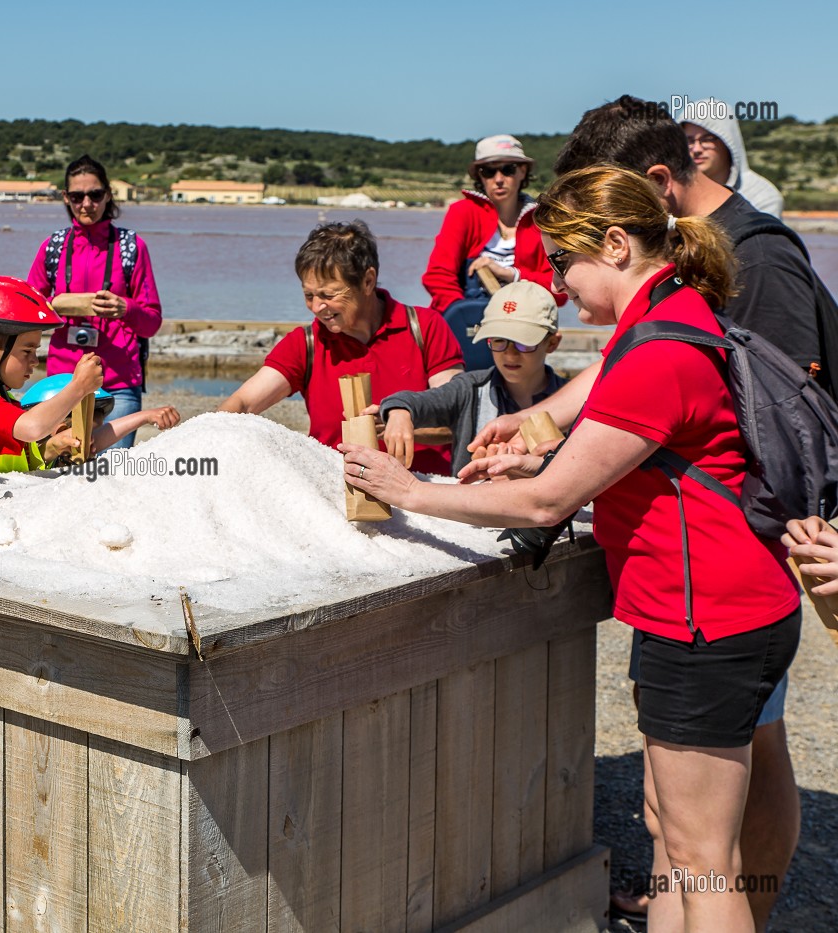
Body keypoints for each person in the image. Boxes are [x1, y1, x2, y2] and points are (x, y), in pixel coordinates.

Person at [345, 164, 801, 933]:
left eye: (563, 261)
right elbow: (611, 452)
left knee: (701, 856)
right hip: (710, 611)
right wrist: (534, 451)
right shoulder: (666, 313)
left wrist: (411, 489)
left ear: (616, 245)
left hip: (707, 620)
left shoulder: (657, 350)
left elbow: (546, 502)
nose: (556, 279)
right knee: (672, 829)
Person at [472, 96, 828, 927]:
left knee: (721, 822)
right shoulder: (681, 281)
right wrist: (548, 419)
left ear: (655, 189)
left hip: (730, 578)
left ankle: (751, 910)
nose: (560, 281)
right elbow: (640, 364)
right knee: (683, 830)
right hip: (709, 584)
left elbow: (741, 405)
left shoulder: (760, 259)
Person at [219, 220, 464, 474]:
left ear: (368, 281)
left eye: (328, 295)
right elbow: (243, 403)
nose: (316, 308)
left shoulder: (425, 327)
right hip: (335, 493)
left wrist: (404, 422)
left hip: (423, 493)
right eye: (309, 295)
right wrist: (204, 439)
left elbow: (458, 415)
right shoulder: (305, 343)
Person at [0, 276, 179, 471]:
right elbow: (32, 429)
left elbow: (27, 453)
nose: (35, 361)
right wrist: (78, 387)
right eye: (27, 351)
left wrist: (53, 448)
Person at [27, 154, 162, 449]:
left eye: (95, 195)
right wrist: (52, 307)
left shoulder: (131, 247)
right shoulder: (53, 247)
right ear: (65, 198)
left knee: (110, 476)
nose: (86, 204)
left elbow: (151, 322)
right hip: (64, 383)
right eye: (77, 196)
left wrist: (127, 308)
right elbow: (27, 313)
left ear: (108, 195)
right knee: (61, 474)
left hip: (119, 382)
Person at [378, 280, 565, 473]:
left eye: (523, 343)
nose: (510, 354)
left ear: (552, 343)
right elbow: (420, 401)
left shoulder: (574, 400)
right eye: (499, 340)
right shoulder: (469, 388)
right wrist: (400, 410)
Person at [422, 134, 562, 370]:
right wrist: (466, 317)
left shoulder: (540, 222)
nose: (499, 179)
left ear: (523, 172)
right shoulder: (463, 213)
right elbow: (438, 276)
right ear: (479, 175)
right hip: (465, 331)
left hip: (523, 337)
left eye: (508, 169)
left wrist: (511, 275)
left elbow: (559, 288)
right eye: (488, 171)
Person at [682, 100, 784, 218]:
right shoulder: (673, 193)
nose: (697, 149)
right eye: (689, 140)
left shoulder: (762, 196)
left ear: (727, 141)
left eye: (707, 139)